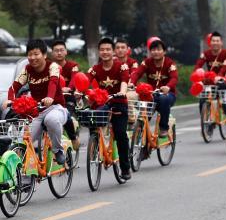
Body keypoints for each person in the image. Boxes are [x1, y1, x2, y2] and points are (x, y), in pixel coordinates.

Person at [5, 39, 68, 164]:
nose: (33, 57)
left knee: (51, 120)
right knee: (24, 140)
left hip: (56, 107)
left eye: (36, 54)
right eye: (30, 54)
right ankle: (25, 174)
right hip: (37, 111)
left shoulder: (52, 66)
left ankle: (57, 150)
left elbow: (53, 82)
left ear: (44, 55)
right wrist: (10, 99)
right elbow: (14, 86)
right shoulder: (27, 70)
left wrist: (50, 97)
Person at [87, 37, 132, 180]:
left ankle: (125, 168)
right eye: (102, 50)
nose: (105, 52)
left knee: (120, 134)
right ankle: (96, 145)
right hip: (102, 104)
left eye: (108, 49)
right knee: (91, 121)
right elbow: (85, 82)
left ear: (112, 52)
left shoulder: (121, 66)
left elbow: (124, 81)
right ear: (99, 52)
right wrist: (79, 92)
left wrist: (123, 92)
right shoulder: (95, 69)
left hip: (118, 102)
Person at [130, 39, 178, 137]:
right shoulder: (147, 62)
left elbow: (174, 78)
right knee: (142, 108)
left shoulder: (170, 63)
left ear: (164, 51)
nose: (156, 52)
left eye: (158, 49)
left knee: (163, 98)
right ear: (150, 51)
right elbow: (137, 73)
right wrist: (131, 83)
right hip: (151, 94)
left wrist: (168, 87)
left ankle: (164, 127)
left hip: (168, 95)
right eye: (153, 50)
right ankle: (142, 127)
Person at [50, 38, 80, 150]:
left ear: (66, 52)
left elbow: (74, 79)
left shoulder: (73, 66)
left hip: (68, 98)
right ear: (52, 53)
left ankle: (73, 137)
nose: (59, 53)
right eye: (56, 50)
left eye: (61, 50)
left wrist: (68, 88)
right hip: (51, 98)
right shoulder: (48, 66)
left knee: (66, 114)